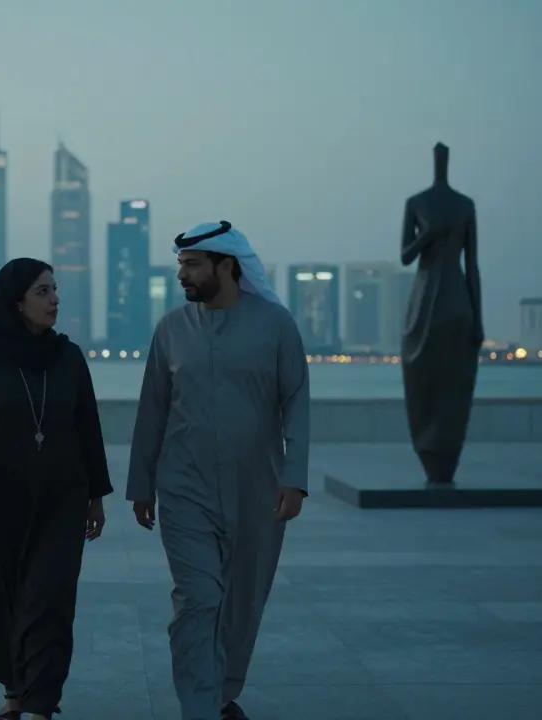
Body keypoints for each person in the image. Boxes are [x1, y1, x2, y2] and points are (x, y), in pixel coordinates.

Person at [126, 221, 311, 720]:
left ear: (226, 266)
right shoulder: (171, 329)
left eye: (192, 265)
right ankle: (201, 707)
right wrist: (141, 485)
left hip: (259, 488)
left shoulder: (275, 325)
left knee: (242, 602)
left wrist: (295, 477)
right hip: (184, 487)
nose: (182, 274)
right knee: (198, 598)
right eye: (181, 264)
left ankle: (223, 692)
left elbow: (296, 403)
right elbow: (152, 411)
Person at [0, 257, 114, 720]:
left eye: (55, 290)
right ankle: (16, 691)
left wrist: (96, 496)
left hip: (61, 500)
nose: (54, 299)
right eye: (42, 291)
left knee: (48, 600)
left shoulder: (69, 357)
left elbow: (88, 429)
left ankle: (40, 704)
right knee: (4, 601)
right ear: (16, 302)